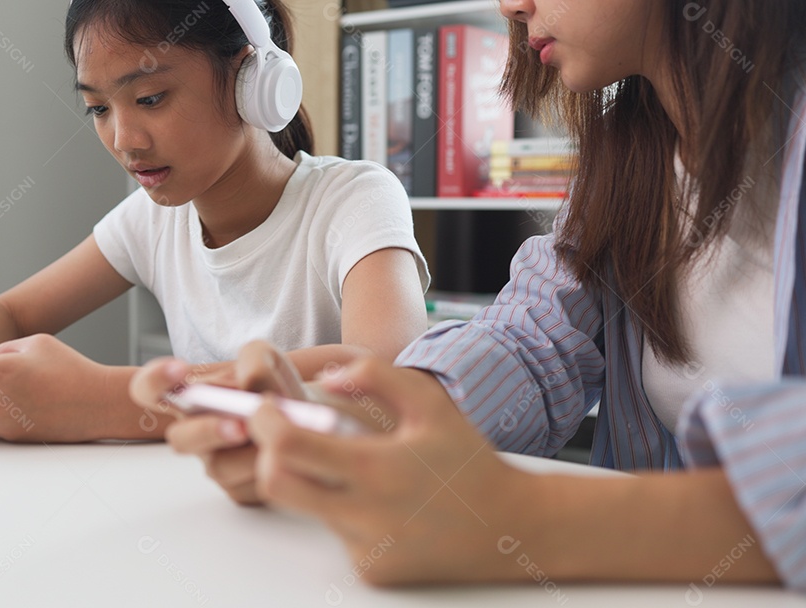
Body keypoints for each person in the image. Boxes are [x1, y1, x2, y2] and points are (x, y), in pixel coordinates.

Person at [132, 0, 806, 590]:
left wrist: (530, 522)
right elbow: (529, 344)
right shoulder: (629, 162)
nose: (510, 6)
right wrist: (342, 419)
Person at [0, 0, 429, 442]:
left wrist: (116, 396)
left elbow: (380, 369)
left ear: (252, 81)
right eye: (98, 109)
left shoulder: (354, 198)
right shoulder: (152, 221)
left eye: (149, 98)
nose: (124, 139)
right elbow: (14, 316)